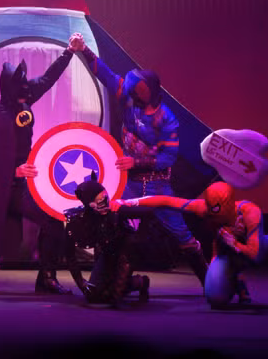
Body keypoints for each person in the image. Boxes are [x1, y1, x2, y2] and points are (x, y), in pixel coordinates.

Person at [69, 33, 209, 284]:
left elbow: (168, 157)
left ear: (149, 92)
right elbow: (107, 76)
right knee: (111, 226)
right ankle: (102, 283)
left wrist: (137, 162)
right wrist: (84, 50)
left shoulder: (166, 119)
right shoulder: (128, 99)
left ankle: (210, 282)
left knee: (182, 235)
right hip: (130, 184)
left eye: (138, 90)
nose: (132, 92)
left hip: (157, 185)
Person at [0, 42, 80, 294]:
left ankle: (47, 278)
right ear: (10, 91)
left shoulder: (23, 99)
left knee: (52, 220)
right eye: (21, 94)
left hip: (23, 186)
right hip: (5, 188)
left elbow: (47, 79)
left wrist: (68, 52)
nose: (26, 96)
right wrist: (12, 172)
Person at [111, 181, 268, 312]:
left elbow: (257, 256)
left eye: (220, 215)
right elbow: (165, 201)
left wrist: (235, 243)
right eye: (212, 213)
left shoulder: (250, 213)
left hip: (253, 248)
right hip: (225, 255)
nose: (215, 218)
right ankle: (237, 282)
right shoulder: (203, 208)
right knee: (215, 300)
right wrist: (127, 202)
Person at [64, 172, 150, 307]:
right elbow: (69, 254)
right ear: (90, 204)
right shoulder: (80, 219)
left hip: (126, 253)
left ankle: (127, 288)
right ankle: (137, 282)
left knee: (114, 294)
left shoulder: (116, 210)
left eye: (106, 198)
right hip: (107, 256)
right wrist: (81, 283)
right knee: (94, 295)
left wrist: (127, 206)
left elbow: (148, 212)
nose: (105, 204)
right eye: (99, 202)